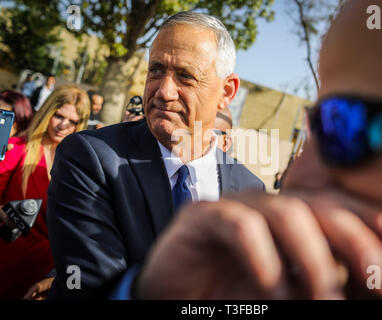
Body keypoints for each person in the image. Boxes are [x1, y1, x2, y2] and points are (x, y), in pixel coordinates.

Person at [127, 0, 382, 300]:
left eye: (348, 126)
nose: (295, 180)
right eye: (318, 126)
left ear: (227, 92)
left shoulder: (247, 185)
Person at [46, 11, 265, 299]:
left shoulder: (251, 191)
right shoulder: (88, 158)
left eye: (185, 76)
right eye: (156, 70)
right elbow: (93, 287)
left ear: (226, 91)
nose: (163, 91)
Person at [0, 85, 90, 300]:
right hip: (7, 264)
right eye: (58, 115)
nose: (63, 125)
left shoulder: (83, 166)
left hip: (48, 275)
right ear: (48, 111)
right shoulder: (17, 148)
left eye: (72, 121)